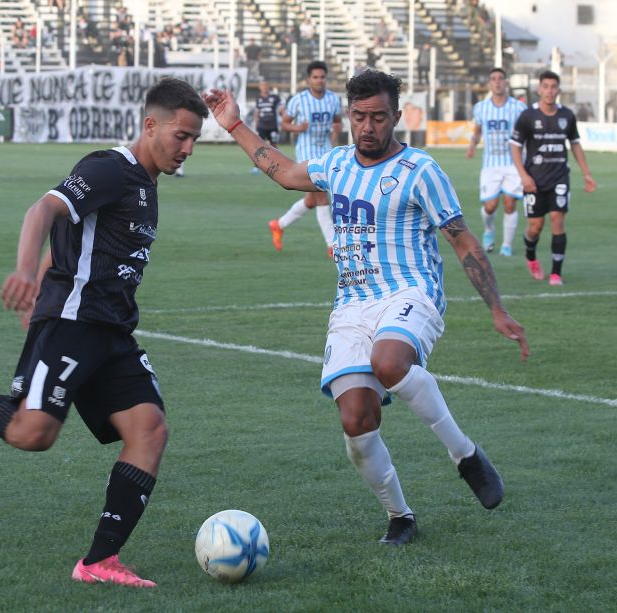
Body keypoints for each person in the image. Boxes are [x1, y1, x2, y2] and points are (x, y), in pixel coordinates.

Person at [0, 78, 209, 587]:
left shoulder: (146, 184)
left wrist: (40, 274)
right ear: (151, 124)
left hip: (113, 333)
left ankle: (99, 561)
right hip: (74, 326)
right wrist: (22, 271)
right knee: (33, 434)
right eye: (181, 136)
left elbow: (75, 237)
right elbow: (46, 209)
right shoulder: (110, 169)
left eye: (194, 140)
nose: (187, 149)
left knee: (149, 430)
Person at [204, 69, 528, 545]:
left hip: (410, 292)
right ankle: (401, 517)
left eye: (378, 117)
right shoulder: (335, 165)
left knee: (389, 361)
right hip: (353, 303)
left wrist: (497, 308)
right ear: (348, 116)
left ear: (396, 116)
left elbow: (463, 243)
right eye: (359, 116)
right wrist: (234, 124)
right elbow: (283, 170)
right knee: (356, 418)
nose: (368, 126)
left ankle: (466, 456)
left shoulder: (421, 170)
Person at [510, 70, 597, 285]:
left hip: (559, 178)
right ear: (539, 89)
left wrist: (587, 174)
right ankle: (530, 255)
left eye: (553, 87)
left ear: (558, 90)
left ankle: (556, 273)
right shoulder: (528, 116)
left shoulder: (566, 116)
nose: (549, 91)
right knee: (535, 227)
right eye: (546, 86)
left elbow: (575, 144)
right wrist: (524, 176)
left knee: (558, 219)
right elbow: (515, 147)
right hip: (534, 180)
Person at [268, 61, 342, 254]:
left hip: (325, 150)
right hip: (307, 152)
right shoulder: (299, 100)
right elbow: (285, 124)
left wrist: (335, 133)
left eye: (322, 77)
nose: (319, 81)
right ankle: (332, 245)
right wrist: (297, 128)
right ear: (308, 79)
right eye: (315, 77)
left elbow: (337, 121)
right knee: (322, 195)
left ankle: (279, 225)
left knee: (311, 200)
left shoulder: (333, 99)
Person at [466, 67, 527, 256]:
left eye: (501, 78)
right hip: (491, 164)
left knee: (510, 203)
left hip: (513, 163)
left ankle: (506, 245)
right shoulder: (481, 108)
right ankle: (489, 230)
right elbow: (477, 130)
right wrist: (472, 145)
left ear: (506, 83)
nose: (498, 82)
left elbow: (527, 132)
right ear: (489, 84)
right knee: (490, 206)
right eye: (494, 79)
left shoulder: (518, 107)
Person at [251, 79, 281, 175]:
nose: (264, 88)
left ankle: (278, 164)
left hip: (273, 126)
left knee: (274, 145)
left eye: (266, 86)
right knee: (259, 146)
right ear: (260, 88)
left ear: (268, 87)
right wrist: (256, 123)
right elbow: (257, 112)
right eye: (262, 86)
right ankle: (256, 167)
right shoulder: (258, 99)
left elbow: (280, 109)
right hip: (262, 126)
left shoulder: (275, 98)